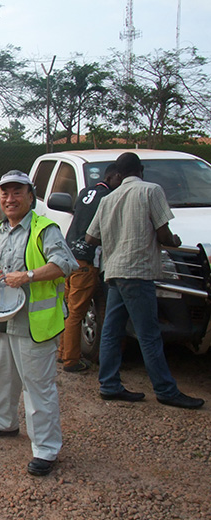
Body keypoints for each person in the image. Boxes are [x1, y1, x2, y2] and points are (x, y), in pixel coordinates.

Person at [0, 170, 77, 477]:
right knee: (1, 377)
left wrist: (29, 276)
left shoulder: (44, 229)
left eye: (17, 192)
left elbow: (65, 264)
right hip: (2, 322)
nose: (10, 198)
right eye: (5, 193)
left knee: (38, 388)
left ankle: (46, 449)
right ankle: (4, 422)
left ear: (30, 196)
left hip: (34, 326)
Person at [85, 152, 204, 409]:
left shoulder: (109, 199)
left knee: (111, 331)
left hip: (114, 271)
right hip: (138, 272)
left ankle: (109, 384)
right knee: (149, 334)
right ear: (141, 170)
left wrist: (115, 234)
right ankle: (165, 390)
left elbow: (90, 238)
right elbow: (163, 233)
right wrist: (173, 242)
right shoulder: (151, 191)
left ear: (118, 173)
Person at [58, 163, 121, 372]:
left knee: (67, 309)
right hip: (86, 261)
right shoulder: (108, 198)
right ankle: (71, 360)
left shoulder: (87, 192)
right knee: (77, 313)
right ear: (113, 176)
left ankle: (62, 352)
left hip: (69, 256)